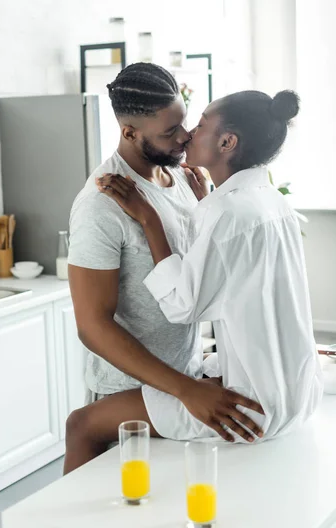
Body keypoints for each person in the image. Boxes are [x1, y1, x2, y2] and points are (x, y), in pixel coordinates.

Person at [65, 65, 264, 474]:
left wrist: (204, 202)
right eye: (169, 132)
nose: (185, 137)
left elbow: (192, 274)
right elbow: (92, 326)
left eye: (184, 124)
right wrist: (186, 389)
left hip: (183, 383)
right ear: (129, 133)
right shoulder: (101, 203)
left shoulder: (180, 177)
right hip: (130, 393)